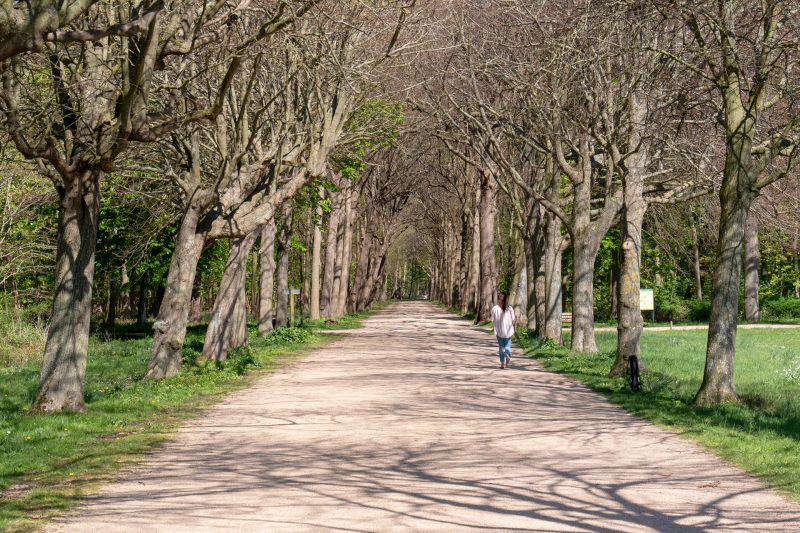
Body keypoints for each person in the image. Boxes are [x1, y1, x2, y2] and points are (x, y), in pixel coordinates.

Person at [491, 293, 515, 369]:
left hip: (499, 330)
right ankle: (507, 354)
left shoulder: (495, 309)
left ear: (498, 299)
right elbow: (513, 319)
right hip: (508, 330)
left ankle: (502, 364)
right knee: (507, 346)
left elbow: (492, 320)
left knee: (501, 347)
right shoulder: (509, 308)